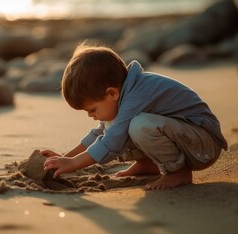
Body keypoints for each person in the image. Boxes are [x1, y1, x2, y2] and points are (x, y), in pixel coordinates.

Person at [42, 43, 228, 190]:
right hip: (185, 140)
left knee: (137, 126)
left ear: (112, 93)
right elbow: (98, 134)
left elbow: (110, 143)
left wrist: (74, 163)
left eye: (92, 109)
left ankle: (178, 172)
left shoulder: (137, 94)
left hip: (203, 145)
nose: (91, 116)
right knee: (120, 127)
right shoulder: (123, 97)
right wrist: (65, 157)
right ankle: (148, 164)